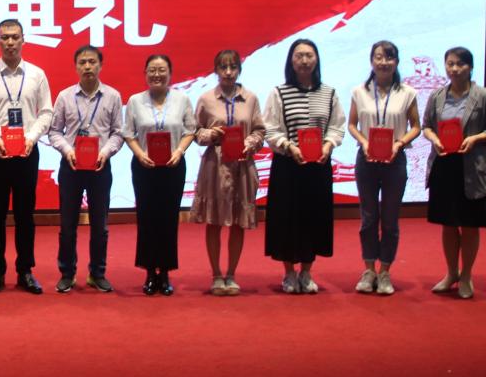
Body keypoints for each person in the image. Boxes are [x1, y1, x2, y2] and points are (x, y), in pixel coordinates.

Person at [0, 19, 54, 295]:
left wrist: (31, 137)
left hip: (27, 152)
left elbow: (46, 112)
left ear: (23, 40)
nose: (9, 42)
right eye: (4, 37)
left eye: (14, 37)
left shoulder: (37, 75)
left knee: (25, 214)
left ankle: (25, 270)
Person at [262, 38, 346, 294]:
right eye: (299, 56)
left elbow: (337, 126)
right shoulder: (279, 93)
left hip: (318, 166)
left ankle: (307, 272)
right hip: (288, 166)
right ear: (291, 60)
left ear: (317, 59)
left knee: (314, 218)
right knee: (286, 219)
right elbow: (270, 129)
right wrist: (289, 146)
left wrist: (328, 145)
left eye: (309, 55)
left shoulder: (329, 93)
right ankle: (289, 273)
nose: (304, 60)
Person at [421, 46, 486, 300]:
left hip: (471, 168)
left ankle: (466, 275)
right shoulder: (437, 95)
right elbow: (426, 126)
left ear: (470, 67)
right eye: (450, 64)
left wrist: (476, 138)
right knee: (448, 224)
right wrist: (434, 139)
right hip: (444, 166)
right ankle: (451, 273)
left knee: (469, 225)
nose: (454, 69)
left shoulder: (484, 96)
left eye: (460, 64)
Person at [47, 45, 125, 293]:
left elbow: (118, 133)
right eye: (82, 62)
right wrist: (67, 150)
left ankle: (97, 273)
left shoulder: (112, 96)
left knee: (100, 225)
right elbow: (54, 131)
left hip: (100, 166)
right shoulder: (65, 96)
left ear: (100, 65)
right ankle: (67, 273)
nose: (87, 66)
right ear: (76, 67)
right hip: (71, 165)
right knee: (67, 224)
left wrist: (106, 152)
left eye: (92, 62)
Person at [345, 41, 421, 296]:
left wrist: (400, 143)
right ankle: (369, 271)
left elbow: (416, 126)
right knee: (368, 218)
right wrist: (364, 141)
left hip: (394, 161)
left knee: (389, 220)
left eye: (389, 58)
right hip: (366, 160)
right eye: (378, 57)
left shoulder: (407, 92)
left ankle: (385, 272)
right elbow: (352, 124)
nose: (383, 62)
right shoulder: (359, 91)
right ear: (371, 61)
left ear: (396, 62)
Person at [189, 50, 264, 297]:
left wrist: (250, 142)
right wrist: (210, 134)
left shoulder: (250, 98)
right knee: (214, 221)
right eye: (223, 67)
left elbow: (260, 131)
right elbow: (195, 132)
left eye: (233, 67)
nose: (228, 72)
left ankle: (231, 274)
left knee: (238, 221)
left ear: (239, 70)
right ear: (216, 71)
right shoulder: (206, 99)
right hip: (215, 165)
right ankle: (215, 275)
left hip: (242, 164)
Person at [122, 54, 196, 296]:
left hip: (173, 167)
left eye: (162, 70)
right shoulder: (135, 101)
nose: (157, 74)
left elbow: (190, 130)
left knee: (168, 219)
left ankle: (165, 272)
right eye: (152, 70)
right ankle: (149, 272)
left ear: (170, 73)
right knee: (147, 218)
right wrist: (140, 154)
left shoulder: (182, 99)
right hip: (145, 167)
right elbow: (128, 134)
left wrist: (179, 151)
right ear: (145, 74)